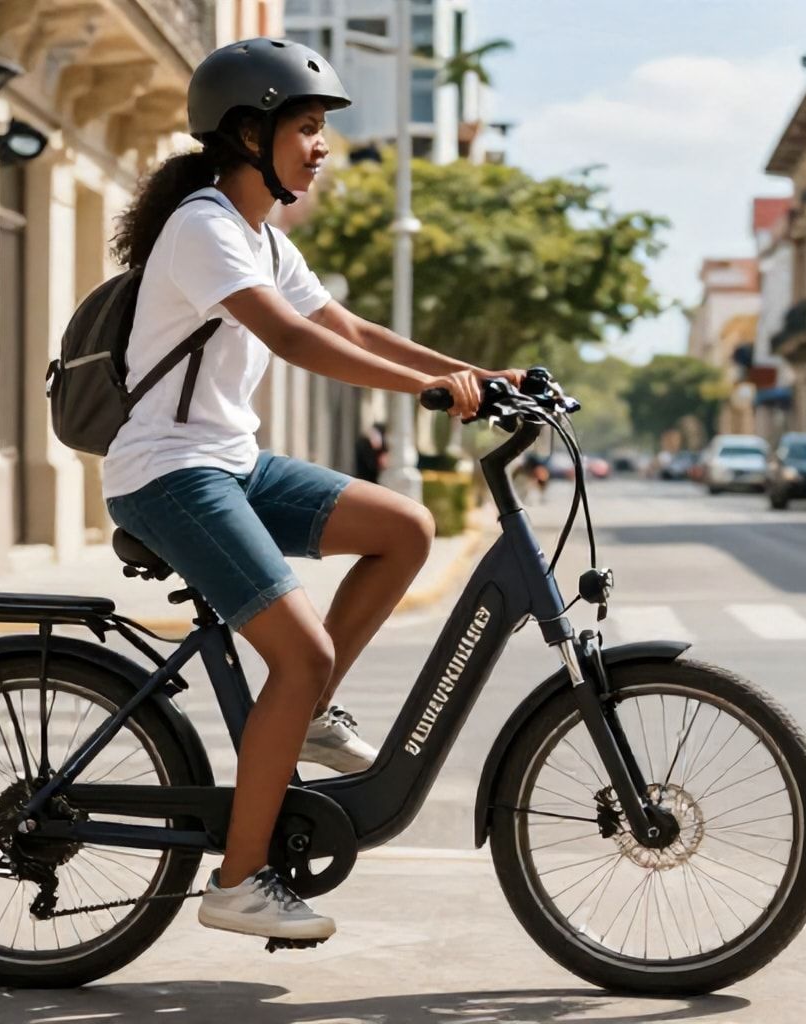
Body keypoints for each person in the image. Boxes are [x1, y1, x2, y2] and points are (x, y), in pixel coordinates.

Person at [100, 38, 521, 943]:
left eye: (322, 128)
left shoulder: (261, 235)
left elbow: (349, 323)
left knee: (404, 530)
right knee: (299, 653)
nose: (321, 145)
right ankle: (239, 880)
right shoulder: (204, 228)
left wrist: (479, 374)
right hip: (168, 470)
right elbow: (293, 341)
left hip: (232, 463)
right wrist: (422, 392)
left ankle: (310, 713)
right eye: (306, 126)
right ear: (248, 134)